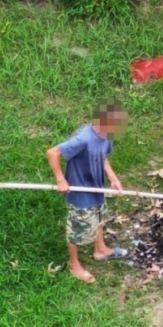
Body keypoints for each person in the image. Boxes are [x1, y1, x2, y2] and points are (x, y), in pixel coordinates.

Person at [47, 102, 128, 284]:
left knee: (99, 218)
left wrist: (113, 178)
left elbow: (103, 157)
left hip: (96, 187)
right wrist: (61, 180)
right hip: (80, 191)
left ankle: (100, 250)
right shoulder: (83, 139)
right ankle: (74, 265)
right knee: (77, 229)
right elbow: (53, 153)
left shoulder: (107, 135)